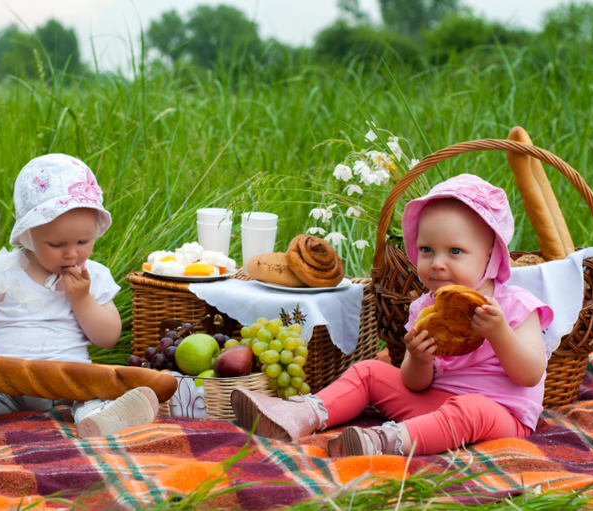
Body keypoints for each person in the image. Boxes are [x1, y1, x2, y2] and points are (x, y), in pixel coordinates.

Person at [231, 174, 554, 457]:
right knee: (370, 370)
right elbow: (415, 384)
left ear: (490, 255)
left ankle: (386, 441)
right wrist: (418, 359)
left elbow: (530, 374)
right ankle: (298, 416)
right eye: (427, 250)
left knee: (470, 408)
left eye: (455, 251)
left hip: (499, 416)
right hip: (435, 403)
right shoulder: (427, 310)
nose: (437, 263)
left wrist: (499, 334)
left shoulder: (514, 305)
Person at [0, 154, 158, 442]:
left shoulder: (93, 277)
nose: (72, 253)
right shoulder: (3, 270)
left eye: (83, 241)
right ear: (28, 235)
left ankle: (100, 420)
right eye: (56, 244)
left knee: (97, 393)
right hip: (4, 385)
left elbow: (108, 336)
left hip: (71, 384)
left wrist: (81, 300)